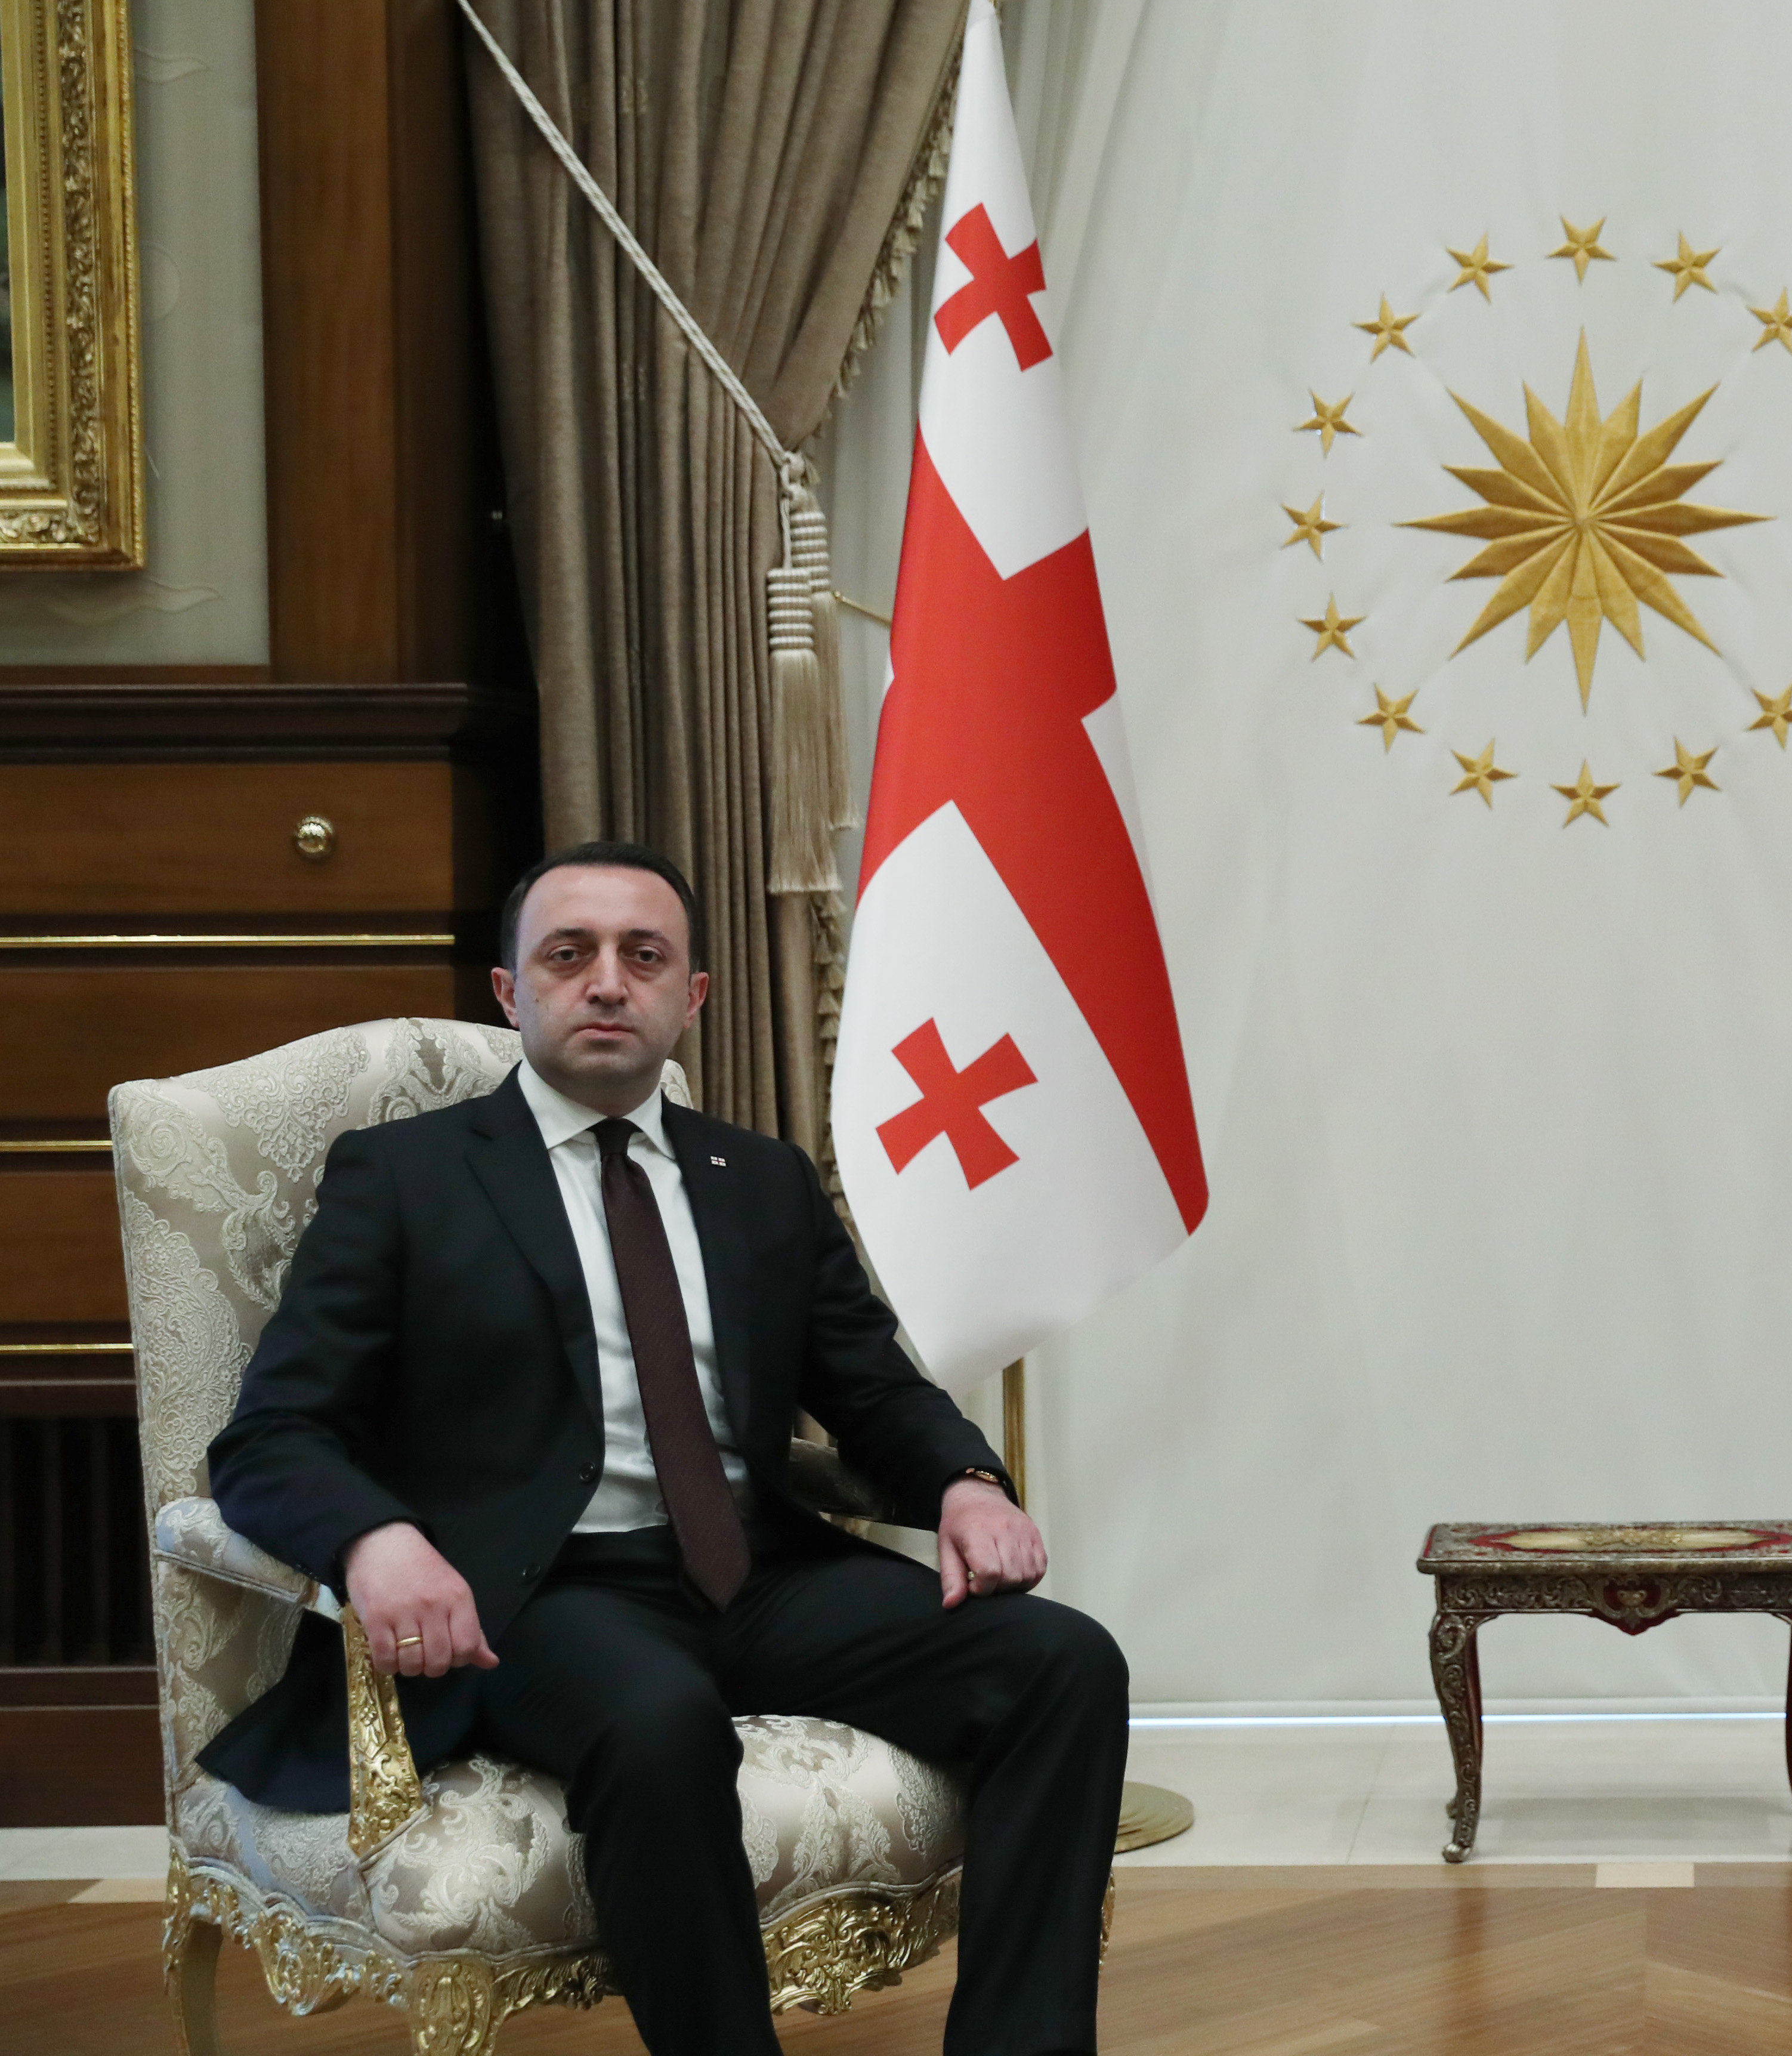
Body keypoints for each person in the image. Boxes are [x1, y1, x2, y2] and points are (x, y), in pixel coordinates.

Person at [201, 839, 1128, 2056]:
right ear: (510, 991)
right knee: (660, 1719)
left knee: (1064, 1661)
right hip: (539, 1596)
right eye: (568, 954)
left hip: (759, 1576)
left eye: (644, 957)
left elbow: (871, 1387)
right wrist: (376, 1542)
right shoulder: (405, 1178)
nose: (606, 982)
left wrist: (965, 1483)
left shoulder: (763, 1181)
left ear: (691, 997)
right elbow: (273, 1434)